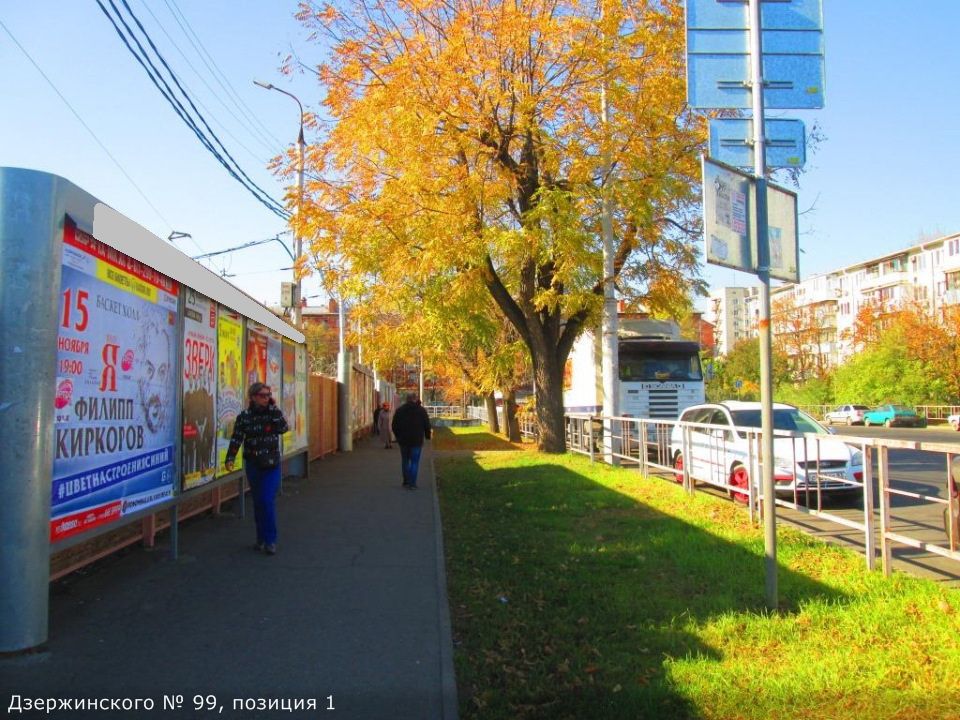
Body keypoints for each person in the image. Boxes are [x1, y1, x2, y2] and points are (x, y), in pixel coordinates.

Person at [224, 382, 289, 555]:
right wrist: (230, 458)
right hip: (253, 464)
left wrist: (274, 410)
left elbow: (283, 428)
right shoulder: (244, 417)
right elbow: (237, 438)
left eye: (268, 395)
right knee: (258, 502)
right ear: (253, 397)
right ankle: (260, 538)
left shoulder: (273, 414)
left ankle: (270, 540)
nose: (266, 398)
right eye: (262, 395)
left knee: (267, 500)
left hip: (271, 464)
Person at [391, 392, 432, 490]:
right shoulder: (421, 411)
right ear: (415, 399)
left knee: (405, 460)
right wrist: (427, 436)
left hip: (403, 440)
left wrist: (398, 436)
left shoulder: (399, 411)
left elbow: (394, 425)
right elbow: (427, 425)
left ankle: (406, 481)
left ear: (406, 399)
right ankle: (412, 483)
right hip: (417, 440)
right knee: (415, 462)